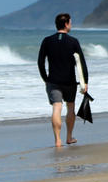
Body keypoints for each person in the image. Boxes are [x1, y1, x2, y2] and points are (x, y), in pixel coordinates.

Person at [37, 13, 88, 148]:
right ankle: (69, 137)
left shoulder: (47, 41)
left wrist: (45, 79)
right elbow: (81, 63)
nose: (71, 24)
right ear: (66, 24)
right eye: (70, 22)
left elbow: (40, 62)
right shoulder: (73, 41)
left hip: (53, 81)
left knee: (56, 108)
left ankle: (57, 141)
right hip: (69, 82)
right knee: (70, 107)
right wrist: (85, 82)